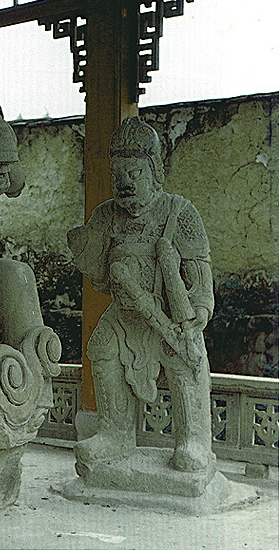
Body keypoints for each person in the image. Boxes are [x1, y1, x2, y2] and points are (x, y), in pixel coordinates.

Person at [67, 116, 215, 472]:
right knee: (102, 347)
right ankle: (114, 433)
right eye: (118, 175)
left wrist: (199, 308)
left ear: (154, 173)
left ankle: (193, 440)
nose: (125, 183)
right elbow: (100, 275)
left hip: (170, 314)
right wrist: (86, 248)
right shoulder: (106, 215)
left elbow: (199, 270)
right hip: (126, 314)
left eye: (134, 173)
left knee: (185, 358)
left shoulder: (179, 212)